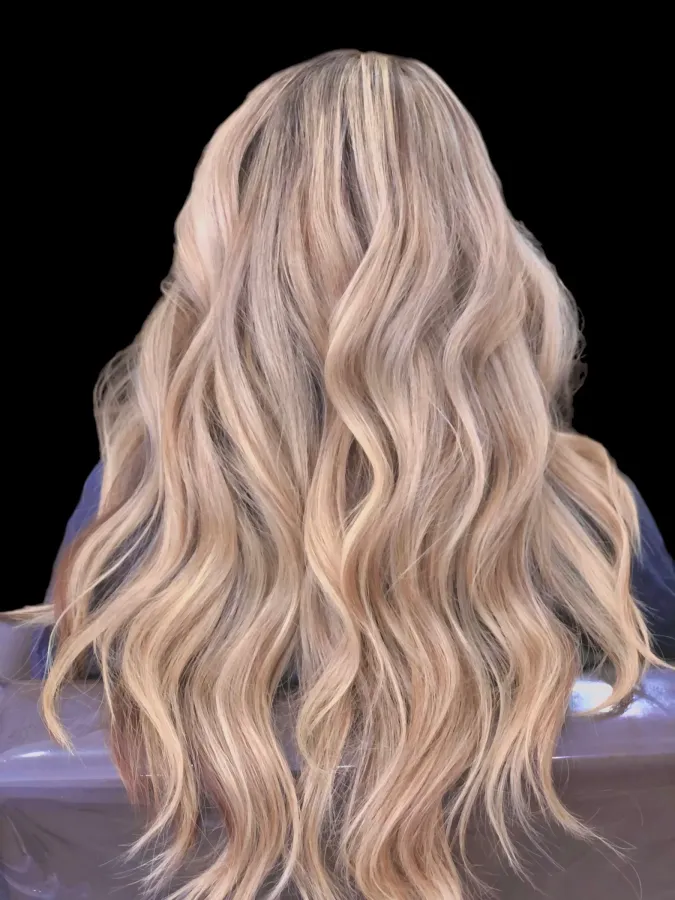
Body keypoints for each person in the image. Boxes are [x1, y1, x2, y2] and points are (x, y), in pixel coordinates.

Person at [5, 49, 674, 900]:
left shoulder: (132, 511)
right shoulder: (593, 520)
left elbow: (62, 769)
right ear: (479, 247)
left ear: (225, 247)